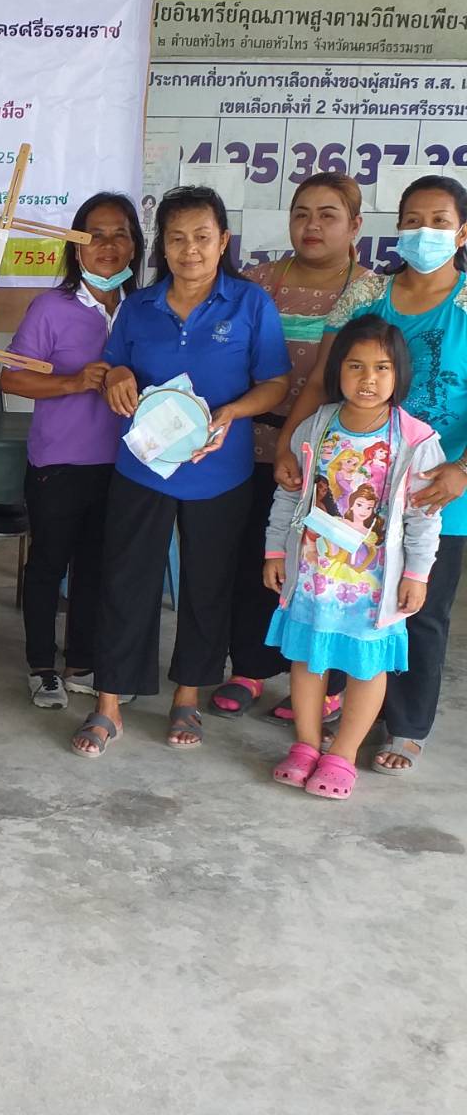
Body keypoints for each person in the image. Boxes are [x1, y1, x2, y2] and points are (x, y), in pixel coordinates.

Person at [70, 185, 290, 757]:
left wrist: (233, 412)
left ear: (223, 241)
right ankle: (109, 704)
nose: (190, 250)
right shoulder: (139, 306)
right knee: (126, 581)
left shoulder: (249, 304)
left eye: (202, 237)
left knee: (206, 584)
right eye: (176, 239)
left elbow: (275, 382)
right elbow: (114, 366)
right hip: (143, 466)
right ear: (162, 247)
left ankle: (187, 696)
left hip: (220, 470)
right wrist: (117, 375)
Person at [275, 174, 467, 773]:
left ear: (462, 233)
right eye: (413, 220)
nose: (424, 231)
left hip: (438, 485)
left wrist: (462, 469)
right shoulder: (366, 293)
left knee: (419, 607)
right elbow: (321, 378)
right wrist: (287, 443)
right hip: (349, 486)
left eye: (439, 221)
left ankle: (405, 727)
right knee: (341, 597)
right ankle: (342, 715)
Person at [264, 317, 442, 799]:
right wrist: (275, 550)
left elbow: (425, 515)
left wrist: (418, 574)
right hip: (314, 574)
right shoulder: (316, 425)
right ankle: (306, 745)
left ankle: (342, 755)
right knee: (307, 660)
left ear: (399, 372)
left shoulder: (416, 439)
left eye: (382, 367)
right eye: (355, 366)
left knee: (366, 665)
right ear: (336, 370)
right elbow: (290, 495)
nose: (368, 379)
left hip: (374, 583)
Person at [212, 173, 364, 724]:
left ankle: (325, 683)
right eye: (301, 213)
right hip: (251, 445)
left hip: (334, 458)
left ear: (355, 225)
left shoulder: (371, 292)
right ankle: (249, 668)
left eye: (328, 214)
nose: (312, 225)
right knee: (257, 556)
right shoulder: (256, 283)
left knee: (329, 569)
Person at [0, 191, 143, 709]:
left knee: (97, 567)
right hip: (58, 463)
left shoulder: (145, 309)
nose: (108, 245)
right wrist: (74, 381)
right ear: (75, 247)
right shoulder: (51, 308)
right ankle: (42, 666)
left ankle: (81, 662)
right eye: (94, 234)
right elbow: (12, 378)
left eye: (120, 233)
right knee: (48, 565)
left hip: (126, 464)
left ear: (135, 245)